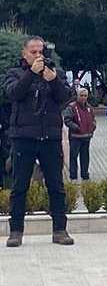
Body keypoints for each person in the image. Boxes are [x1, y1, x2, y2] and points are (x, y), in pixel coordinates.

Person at [4, 35, 75, 247]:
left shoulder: (54, 73)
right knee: (19, 187)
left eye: (40, 51)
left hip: (50, 138)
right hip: (23, 138)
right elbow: (13, 94)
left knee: (56, 186)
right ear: (24, 54)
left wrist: (52, 79)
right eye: (33, 52)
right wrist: (30, 75)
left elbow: (65, 98)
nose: (38, 55)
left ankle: (60, 230)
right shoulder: (14, 73)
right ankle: (16, 231)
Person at [63, 87, 96, 180]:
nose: (83, 98)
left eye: (85, 96)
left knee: (85, 157)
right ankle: (73, 175)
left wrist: (93, 127)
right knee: (73, 156)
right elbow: (67, 120)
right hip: (75, 136)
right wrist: (76, 127)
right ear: (77, 96)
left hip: (87, 136)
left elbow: (93, 119)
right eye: (81, 95)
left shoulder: (90, 108)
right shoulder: (71, 107)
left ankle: (85, 174)